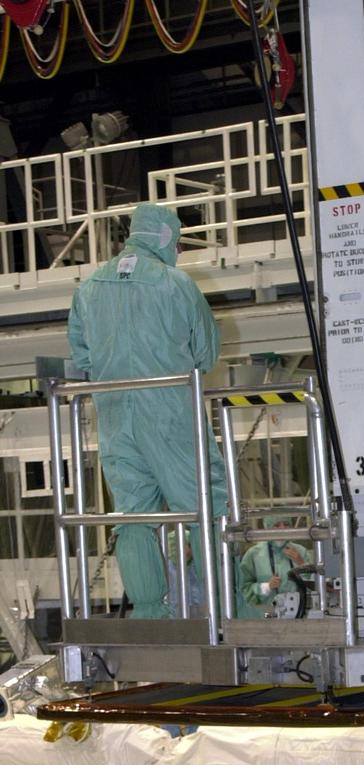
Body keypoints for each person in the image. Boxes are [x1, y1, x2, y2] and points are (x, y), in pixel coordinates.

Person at [68, 202, 227, 619]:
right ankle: (226, 607)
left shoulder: (88, 289)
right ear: (164, 237)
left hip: (115, 418)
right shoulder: (175, 284)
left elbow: (82, 357)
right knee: (205, 506)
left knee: (134, 516)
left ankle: (150, 612)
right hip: (172, 416)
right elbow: (206, 354)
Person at [238, 520, 308, 617]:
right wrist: (266, 587)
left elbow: (314, 585)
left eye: (286, 524)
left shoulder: (301, 551)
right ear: (268, 527)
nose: (282, 529)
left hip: (299, 615)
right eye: (277, 525)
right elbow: (243, 590)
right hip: (265, 617)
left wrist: (302, 564)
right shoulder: (254, 554)